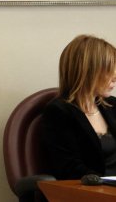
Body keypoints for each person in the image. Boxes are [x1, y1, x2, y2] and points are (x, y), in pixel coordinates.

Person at [42, 34, 116, 179]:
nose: (115, 76)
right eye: (109, 70)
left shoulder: (112, 105)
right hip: (95, 188)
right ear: (87, 71)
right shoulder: (58, 112)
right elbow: (68, 168)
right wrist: (104, 183)